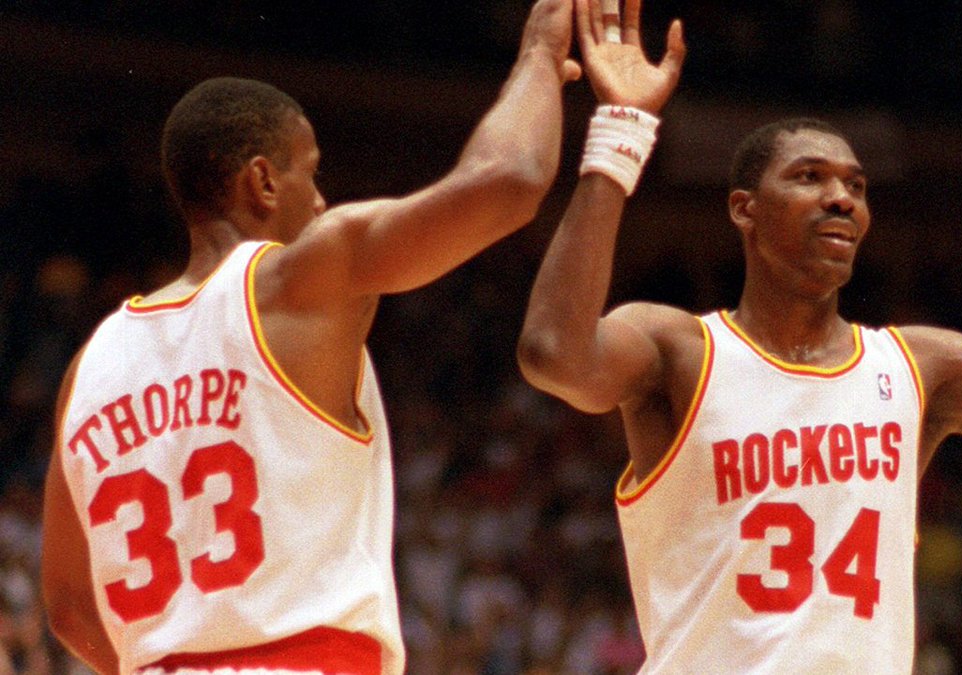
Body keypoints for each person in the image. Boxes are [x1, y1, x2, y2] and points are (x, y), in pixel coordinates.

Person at [515, 0, 962, 669]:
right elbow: (554, 354)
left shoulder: (920, 368)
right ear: (743, 210)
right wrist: (622, 132)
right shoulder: (678, 349)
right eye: (809, 177)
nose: (841, 195)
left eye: (855, 184)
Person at [39, 1, 581, 672]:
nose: (321, 200)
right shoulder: (302, 279)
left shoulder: (91, 362)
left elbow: (66, 604)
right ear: (263, 180)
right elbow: (509, 182)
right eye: (311, 170)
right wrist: (537, 55)